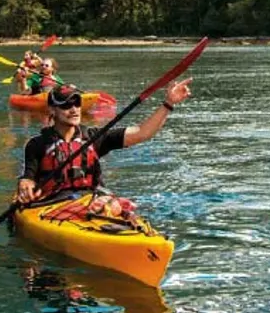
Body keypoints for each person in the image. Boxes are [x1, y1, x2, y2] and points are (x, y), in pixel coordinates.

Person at [13, 79, 192, 222]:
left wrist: (168, 104)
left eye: (76, 103)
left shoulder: (94, 137)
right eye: (66, 105)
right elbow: (27, 178)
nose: (74, 109)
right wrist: (25, 186)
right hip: (53, 203)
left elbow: (142, 133)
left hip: (92, 200)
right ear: (52, 109)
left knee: (118, 207)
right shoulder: (37, 144)